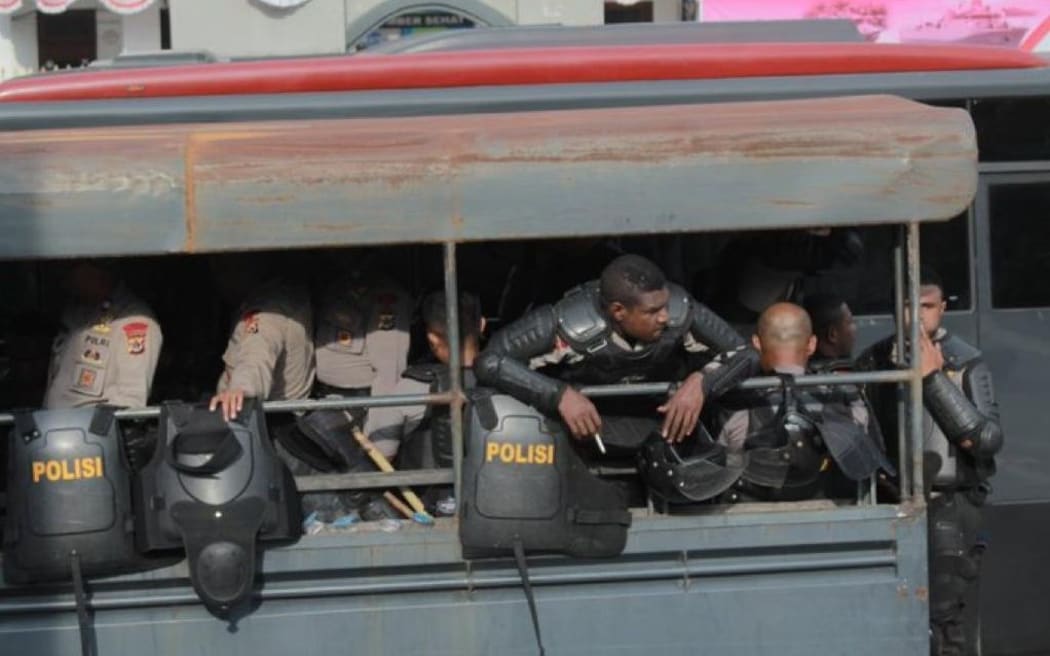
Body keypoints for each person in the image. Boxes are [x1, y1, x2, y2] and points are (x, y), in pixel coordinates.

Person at [857, 270, 1002, 656]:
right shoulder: (873, 359)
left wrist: (934, 379)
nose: (917, 316)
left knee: (945, 615)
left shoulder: (966, 361)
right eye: (908, 306)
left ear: (942, 308)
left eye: (926, 306)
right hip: (891, 499)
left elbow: (987, 440)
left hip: (950, 503)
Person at [475, 254, 748, 453]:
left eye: (664, 306)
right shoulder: (565, 323)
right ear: (618, 311)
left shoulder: (681, 311)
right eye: (652, 312)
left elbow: (746, 353)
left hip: (662, 429)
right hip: (583, 434)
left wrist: (701, 382)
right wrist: (558, 395)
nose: (664, 317)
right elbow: (489, 361)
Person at [706, 303, 891, 502]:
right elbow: (866, 454)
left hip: (747, 517)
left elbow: (718, 465)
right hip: (832, 514)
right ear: (812, 344)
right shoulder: (844, 395)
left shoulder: (735, 404)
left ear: (757, 344)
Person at [363, 290, 484, 515]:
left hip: (431, 511)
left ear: (431, 338)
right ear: (483, 325)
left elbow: (381, 456)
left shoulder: (410, 388)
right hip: (497, 505)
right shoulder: (509, 380)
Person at [44, 261, 162, 410]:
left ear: (95, 269)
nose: (65, 275)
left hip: (91, 430)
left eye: (72, 267)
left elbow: (130, 401)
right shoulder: (73, 313)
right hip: (51, 425)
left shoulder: (134, 320)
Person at [803, 293, 858, 372]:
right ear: (832, 334)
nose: (855, 327)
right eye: (850, 322)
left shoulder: (803, 372)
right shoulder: (839, 377)